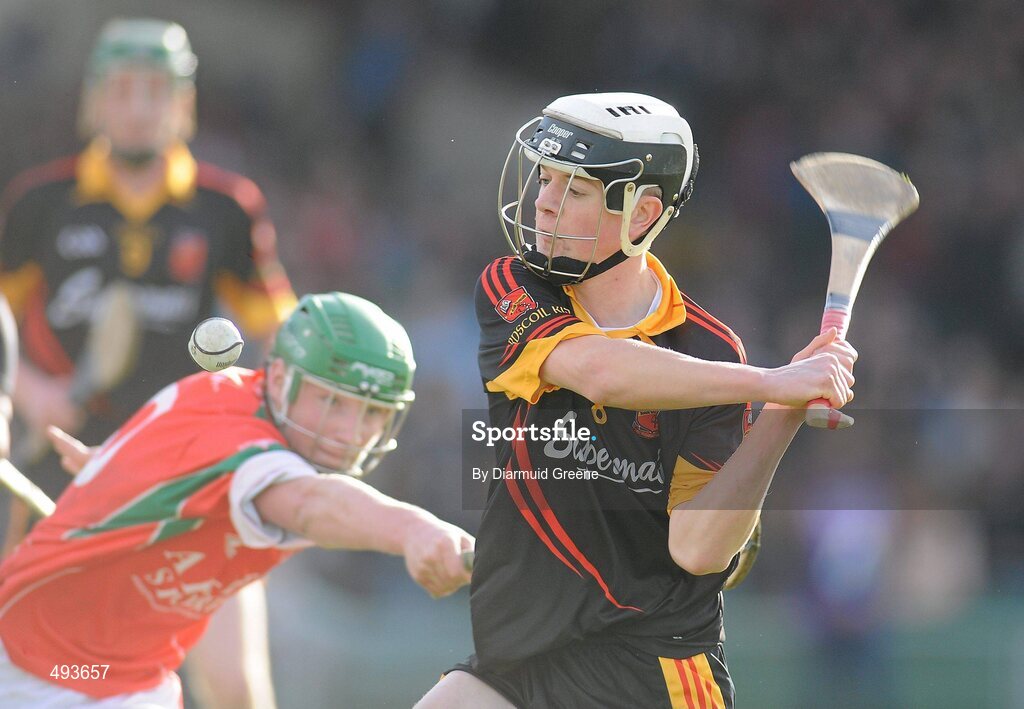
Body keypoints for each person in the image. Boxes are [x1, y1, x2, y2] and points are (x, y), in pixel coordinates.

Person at [416, 92, 856, 708]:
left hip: (653, 670)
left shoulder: (711, 351)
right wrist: (771, 382)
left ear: (643, 213)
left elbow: (697, 549)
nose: (543, 200)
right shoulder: (514, 285)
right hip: (517, 661)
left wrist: (781, 415)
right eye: (545, 178)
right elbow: (598, 370)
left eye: (573, 189)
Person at [0, 19, 296, 707]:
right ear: (95, 101)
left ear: (183, 104)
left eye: (156, 92)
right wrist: (32, 388)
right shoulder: (39, 203)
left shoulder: (228, 209)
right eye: (123, 90)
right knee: (40, 670)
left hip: (191, 470)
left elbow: (279, 330)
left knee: (233, 685)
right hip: (58, 468)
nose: (138, 107)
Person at [0, 291, 475, 707]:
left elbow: (232, 681)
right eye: (332, 401)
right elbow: (312, 504)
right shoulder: (245, 447)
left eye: (372, 413)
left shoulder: (230, 418)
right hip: (38, 669)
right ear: (280, 377)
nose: (351, 433)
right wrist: (416, 529)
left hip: (133, 680)